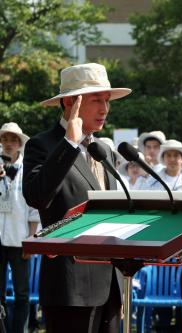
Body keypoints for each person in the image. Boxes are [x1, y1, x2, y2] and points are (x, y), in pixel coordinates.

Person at [22, 62, 131, 333]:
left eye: (107, 100)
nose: (105, 108)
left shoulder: (103, 149)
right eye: (96, 100)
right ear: (71, 102)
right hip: (70, 288)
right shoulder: (42, 145)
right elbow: (37, 197)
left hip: (111, 286)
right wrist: (70, 144)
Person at [0, 123, 40, 333]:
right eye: (5, 139)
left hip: (20, 239)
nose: (8, 144)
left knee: (22, 293)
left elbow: (33, 208)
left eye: (13, 140)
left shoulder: (27, 169)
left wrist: (32, 238)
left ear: (19, 144)